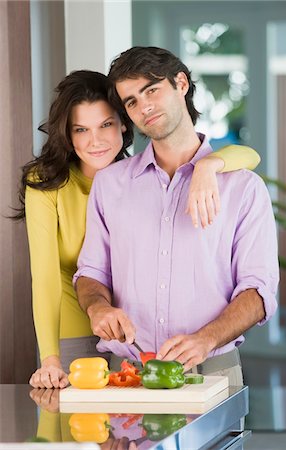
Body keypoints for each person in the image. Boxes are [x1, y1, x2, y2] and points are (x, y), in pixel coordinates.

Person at [14, 69, 260, 390]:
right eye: (81, 129)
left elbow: (250, 155)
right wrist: (49, 359)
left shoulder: (136, 179)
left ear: (123, 124)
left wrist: (207, 165)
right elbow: (44, 277)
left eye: (106, 125)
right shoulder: (47, 185)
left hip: (132, 341)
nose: (96, 140)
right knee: (80, 434)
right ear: (68, 135)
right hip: (74, 330)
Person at [74, 47, 279, 386]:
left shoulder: (244, 188)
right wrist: (98, 307)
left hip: (213, 372)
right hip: (125, 374)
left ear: (181, 83)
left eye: (152, 90)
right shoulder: (110, 185)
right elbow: (92, 272)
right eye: (131, 102)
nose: (144, 107)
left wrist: (206, 339)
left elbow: (258, 291)